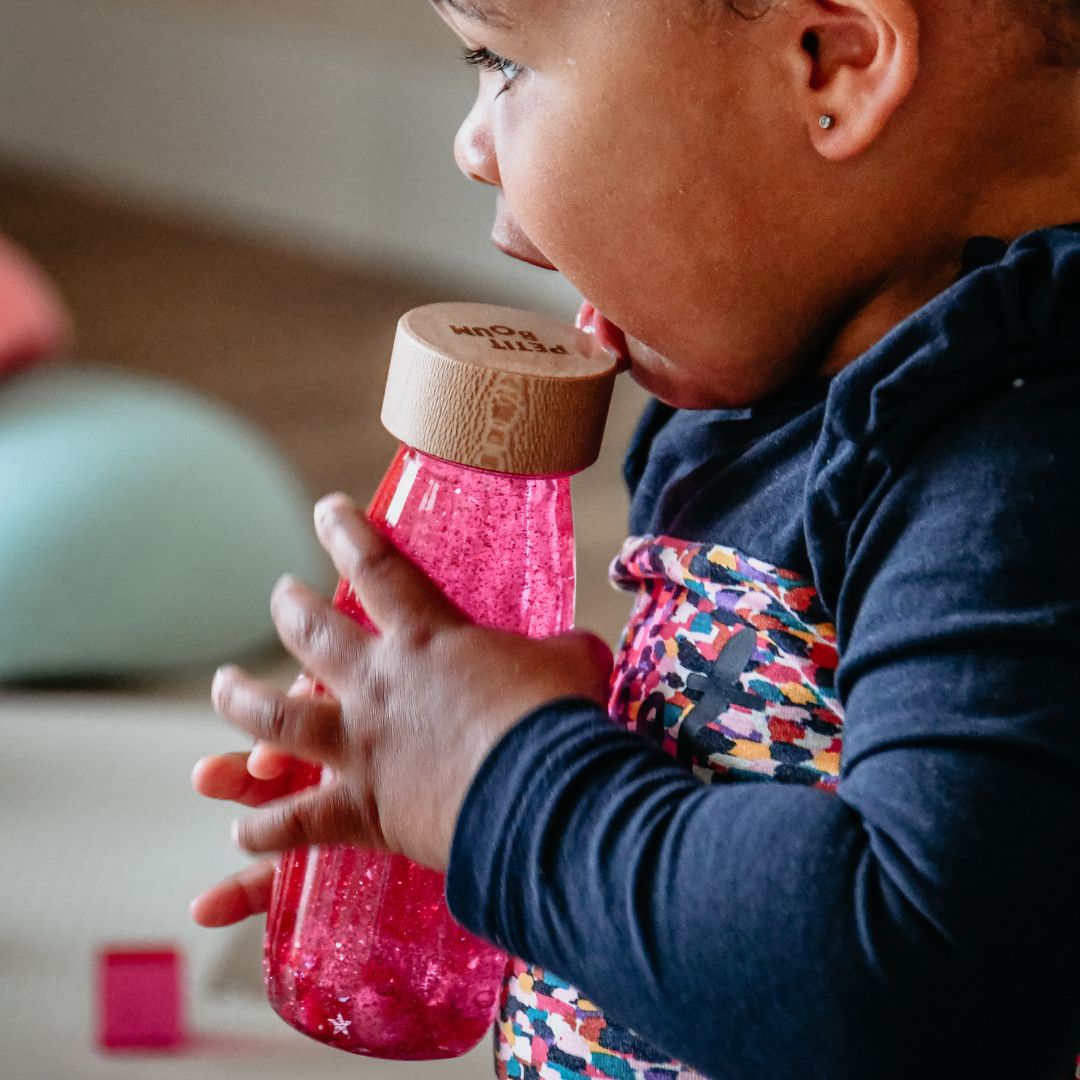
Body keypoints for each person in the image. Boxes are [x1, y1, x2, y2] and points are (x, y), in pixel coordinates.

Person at [190, 0, 1080, 1075]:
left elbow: (918, 973)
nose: (470, 147)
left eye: (501, 60)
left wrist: (505, 790)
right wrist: (452, 827)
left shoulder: (1021, 464)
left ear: (830, 59)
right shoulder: (765, 381)